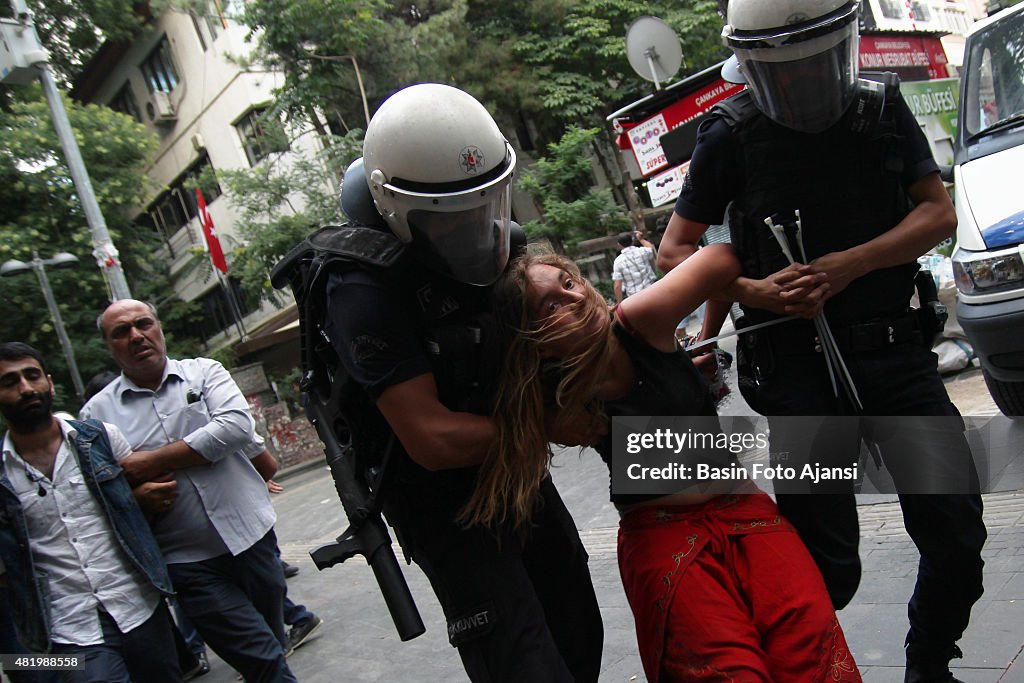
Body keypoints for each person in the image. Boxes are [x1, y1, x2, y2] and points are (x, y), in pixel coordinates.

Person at [657, 2, 986, 681]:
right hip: (798, 374)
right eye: (782, 69)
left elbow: (937, 213)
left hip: (894, 357)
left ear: (839, 48)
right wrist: (757, 292)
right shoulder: (731, 134)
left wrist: (853, 263)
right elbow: (674, 251)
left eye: (813, 62)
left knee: (956, 534)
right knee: (824, 566)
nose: (801, 81)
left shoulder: (880, 111)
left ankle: (928, 662)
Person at [318, 82, 603, 681]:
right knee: (521, 661)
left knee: (579, 631)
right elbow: (433, 438)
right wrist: (552, 423)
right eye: (453, 219)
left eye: (486, 206)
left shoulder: (507, 254)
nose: (479, 229)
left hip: (515, 472)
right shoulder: (361, 289)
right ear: (397, 210)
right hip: (442, 503)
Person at [479, 248, 862, 682]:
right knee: (729, 673)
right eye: (551, 304)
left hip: (746, 515)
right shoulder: (548, 398)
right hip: (660, 537)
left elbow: (719, 257)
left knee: (813, 653)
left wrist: (752, 292)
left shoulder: (638, 321)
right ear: (534, 338)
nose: (575, 298)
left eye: (570, 284)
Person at [80, 301, 297, 683]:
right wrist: (137, 495)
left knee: (272, 644)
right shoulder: (95, 416)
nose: (135, 335)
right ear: (108, 344)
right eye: (121, 331)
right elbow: (102, 496)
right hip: (186, 561)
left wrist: (147, 463)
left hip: (253, 537)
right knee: (261, 656)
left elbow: (234, 429)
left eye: (142, 324)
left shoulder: (205, 372)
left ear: (158, 327)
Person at [0, 342, 181, 682]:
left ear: (49, 382)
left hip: (139, 605)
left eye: (32, 376)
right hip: (70, 629)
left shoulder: (101, 439)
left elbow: (150, 499)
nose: (25, 388)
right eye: (10, 382)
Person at [612, 230, 658, 304]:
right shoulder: (642, 251)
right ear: (632, 242)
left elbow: (617, 286)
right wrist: (641, 239)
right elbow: (651, 248)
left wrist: (619, 303)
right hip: (652, 291)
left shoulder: (618, 261)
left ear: (619, 245)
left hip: (635, 299)